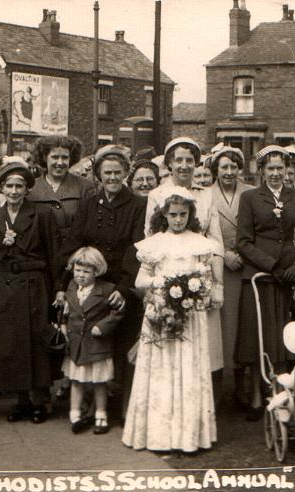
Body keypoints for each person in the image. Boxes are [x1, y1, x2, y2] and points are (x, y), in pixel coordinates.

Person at [122, 187, 223, 453]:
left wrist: (196, 288)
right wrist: (164, 284)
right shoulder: (154, 243)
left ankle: (189, 436)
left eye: (183, 214)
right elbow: (140, 280)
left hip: (191, 315)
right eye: (173, 214)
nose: (178, 219)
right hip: (160, 312)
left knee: (189, 370)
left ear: (190, 215)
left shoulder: (200, 243)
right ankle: (160, 436)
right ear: (164, 214)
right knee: (161, 372)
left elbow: (208, 278)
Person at [58, 144, 146, 415]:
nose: (112, 178)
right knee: (91, 344)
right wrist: (65, 285)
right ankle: (88, 403)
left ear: (126, 173)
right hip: (91, 286)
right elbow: (75, 243)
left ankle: (121, 405)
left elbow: (136, 248)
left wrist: (123, 288)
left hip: (122, 284)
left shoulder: (137, 204)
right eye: (107, 173)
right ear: (98, 175)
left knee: (121, 342)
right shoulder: (88, 204)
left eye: (117, 172)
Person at [236, 145, 295, 420]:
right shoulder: (249, 198)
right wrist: (272, 267)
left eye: (279, 168)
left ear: (287, 171)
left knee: (285, 334)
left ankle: (282, 393)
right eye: (269, 168)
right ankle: (258, 394)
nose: (275, 174)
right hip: (259, 277)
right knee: (257, 335)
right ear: (260, 171)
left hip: (288, 278)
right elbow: (243, 242)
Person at [0, 158, 60, 424]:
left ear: (27, 189)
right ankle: (21, 400)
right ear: (1, 189)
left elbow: (54, 255)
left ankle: (40, 400)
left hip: (35, 286)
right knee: (12, 344)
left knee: (36, 342)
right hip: (5, 290)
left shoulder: (42, 215)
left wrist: (57, 290)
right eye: (9, 186)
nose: (14, 191)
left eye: (19, 186)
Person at [144, 137, 225, 398]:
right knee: (166, 344)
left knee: (201, 346)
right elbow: (150, 240)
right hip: (165, 278)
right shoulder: (156, 195)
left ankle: (196, 405)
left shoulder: (205, 194)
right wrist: (153, 287)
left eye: (189, 160)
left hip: (199, 279)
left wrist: (218, 285)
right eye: (178, 160)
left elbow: (216, 243)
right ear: (168, 163)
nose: (184, 165)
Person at [210, 146, 254, 408]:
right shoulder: (205, 195)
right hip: (219, 267)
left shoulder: (250, 193)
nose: (228, 172)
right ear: (216, 169)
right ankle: (218, 391)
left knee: (243, 328)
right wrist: (224, 253)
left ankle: (241, 389)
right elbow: (202, 231)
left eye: (233, 167)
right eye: (224, 167)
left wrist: (242, 253)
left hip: (246, 267)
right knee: (222, 329)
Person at [61, 247, 123, 435]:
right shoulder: (71, 287)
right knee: (77, 380)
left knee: (99, 381)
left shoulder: (106, 290)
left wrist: (103, 326)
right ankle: (75, 413)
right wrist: (63, 324)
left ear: (96, 271)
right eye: (78, 270)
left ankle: (101, 414)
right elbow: (66, 310)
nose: (81, 275)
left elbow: (118, 311)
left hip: (96, 344)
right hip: (77, 345)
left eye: (86, 272)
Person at [28, 136, 96, 249]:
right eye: (55, 157)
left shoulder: (85, 186)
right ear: (45, 157)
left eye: (64, 157)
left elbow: (91, 225)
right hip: (40, 251)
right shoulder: (31, 188)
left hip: (74, 250)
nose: (60, 162)